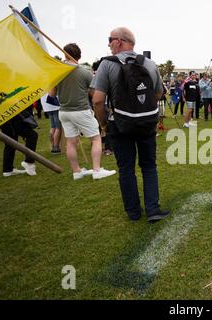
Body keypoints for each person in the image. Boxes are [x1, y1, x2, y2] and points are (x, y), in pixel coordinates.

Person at [92, 27, 170, 223]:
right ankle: (153, 209)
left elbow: (98, 100)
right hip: (146, 123)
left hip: (119, 123)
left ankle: (134, 212)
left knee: (126, 168)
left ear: (119, 41)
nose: (109, 44)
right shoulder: (150, 64)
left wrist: (104, 124)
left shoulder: (106, 65)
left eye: (110, 39)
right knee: (149, 166)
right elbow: (158, 93)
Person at [50, 43, 116, 181]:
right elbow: (94, 92)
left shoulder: (57, 72)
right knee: (96, 138)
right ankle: (97, 170)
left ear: (65, 54)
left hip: (64, 111)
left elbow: (51, 94)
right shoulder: (84, 72)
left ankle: (77, 171)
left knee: (71, 142)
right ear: (79, 55)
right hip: (80, 110)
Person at [0, 107, 38, 177]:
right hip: (9, 116)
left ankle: (7, 169)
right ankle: (29, 162)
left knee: (11, 143)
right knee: (32, 135)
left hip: (4, 117)